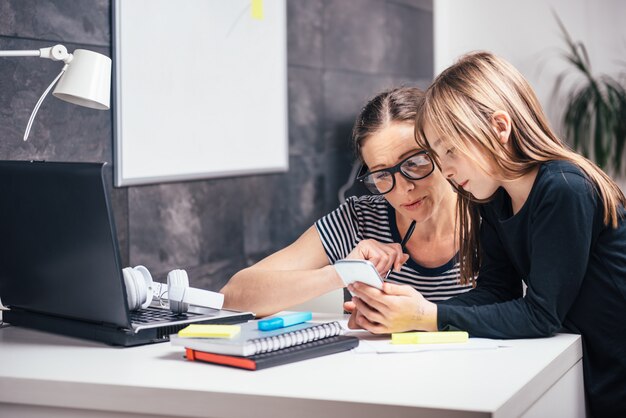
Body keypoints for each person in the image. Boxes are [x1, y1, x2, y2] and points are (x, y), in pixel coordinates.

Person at [347, 52, 626, 417]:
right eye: (437, 155)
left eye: (450, 151)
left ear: (499, 127)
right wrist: (406, 310)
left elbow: (541, 315)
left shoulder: (564, 188)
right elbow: (497, 291)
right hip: (590, 367)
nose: (445, 170)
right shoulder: (493, 197)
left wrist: (426, 316)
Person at [221, 87, 472, 318]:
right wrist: (342, 272)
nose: (403, 187)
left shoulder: (490, 217)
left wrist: (420, 317)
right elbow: (233, 295)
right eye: (382, 174)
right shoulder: (359, 220)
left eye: (414, 163)